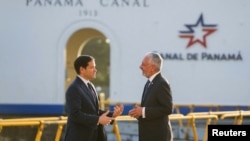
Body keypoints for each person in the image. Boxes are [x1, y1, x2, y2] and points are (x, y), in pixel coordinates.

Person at [64, 55, 124, 141]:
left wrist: (112, 114)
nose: (95, 70)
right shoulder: (74, 88)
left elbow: (94, 111)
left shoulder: (90, 86)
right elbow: (74, 114)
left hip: (95, 136)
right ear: (82, 69)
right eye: (92, 67)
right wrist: (98, 119)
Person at [128, 52, 173, 141]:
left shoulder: (161, 83)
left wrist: (143, 111)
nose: (140, 67)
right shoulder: (150, 83)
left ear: (152, 67)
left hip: (158, 136)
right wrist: (139, 112)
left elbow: (167, 108)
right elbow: (152, 108)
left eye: (143, 64)